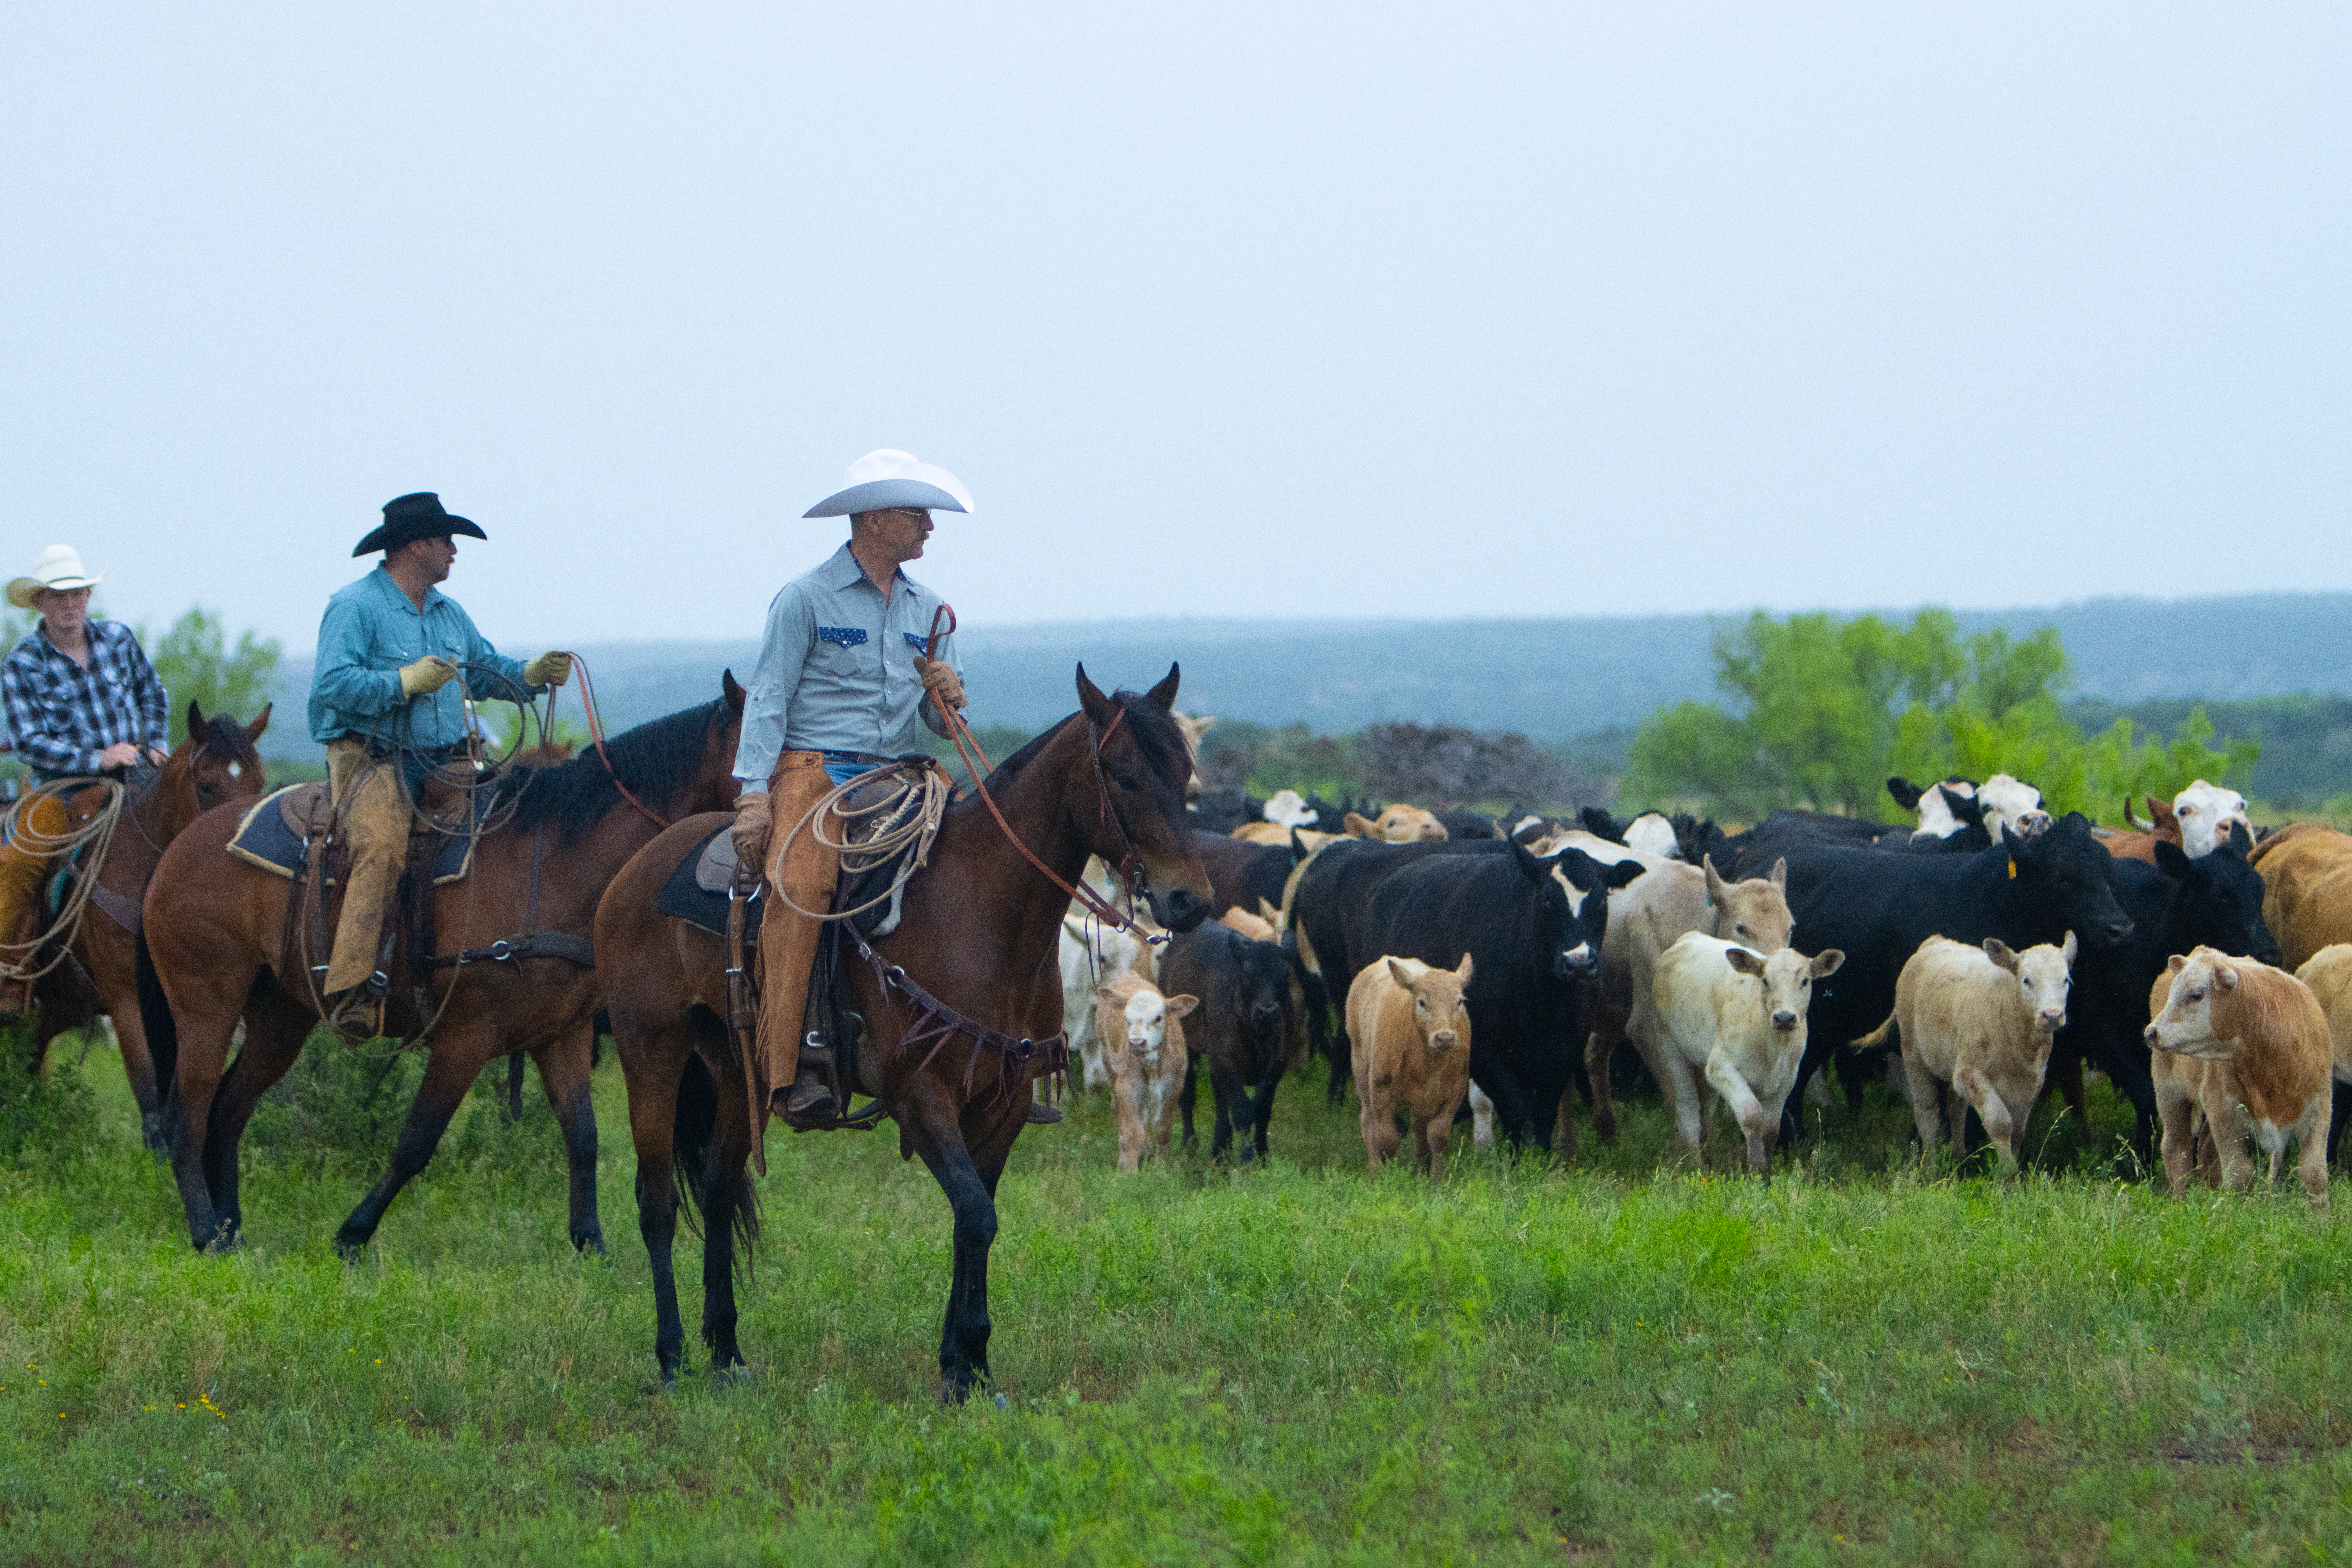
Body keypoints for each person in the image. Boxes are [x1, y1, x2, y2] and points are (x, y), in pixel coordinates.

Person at [727, 448, 1050, 1124]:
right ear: (874, 519)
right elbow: (768, 695)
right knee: (805, 887)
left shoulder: (931, 611)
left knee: (976, 871)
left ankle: (999, 1053)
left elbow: (937, 718)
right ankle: (798, 1060)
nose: (929, 526)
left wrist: (948, 697)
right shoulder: (804, 599)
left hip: (899, 774)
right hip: (812, 772)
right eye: (916, 514)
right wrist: (754, 793)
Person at [308, 492, 574, 1033]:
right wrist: (402, 682)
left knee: (506, 832)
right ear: (417, 544)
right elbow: (331, 686)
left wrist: (530, 673)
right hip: (371, 759)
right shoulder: (355, 606)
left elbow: (483, 669)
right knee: (381, 847)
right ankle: (355, 989)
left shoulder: (451, 615)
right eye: (448, 540)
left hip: (447, 760)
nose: (456, 551)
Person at [0, 544, 171, 977]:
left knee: (193, 832)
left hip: (137, 775)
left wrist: (154, 741)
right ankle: (9, 970)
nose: (70, 603)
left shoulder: (118, 638)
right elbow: (28, 741)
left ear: (88, 596)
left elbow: (152, 692)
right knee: (20, 863)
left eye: (77, 593)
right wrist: (97, 757)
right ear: (39, 602)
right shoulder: (22, 663)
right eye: (58, 596)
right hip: (64, 787)